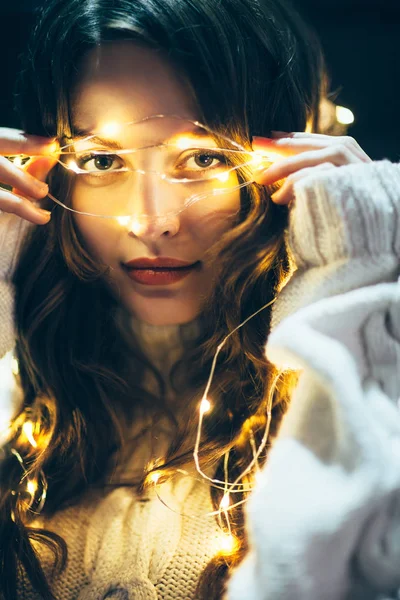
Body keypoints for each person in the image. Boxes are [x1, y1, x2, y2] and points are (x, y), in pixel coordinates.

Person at [0, 0, 399, 599]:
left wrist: (359, 279)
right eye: (102, 160)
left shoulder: (365, 366)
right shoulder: (20, 388)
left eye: (206, 158)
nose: (152, 222)